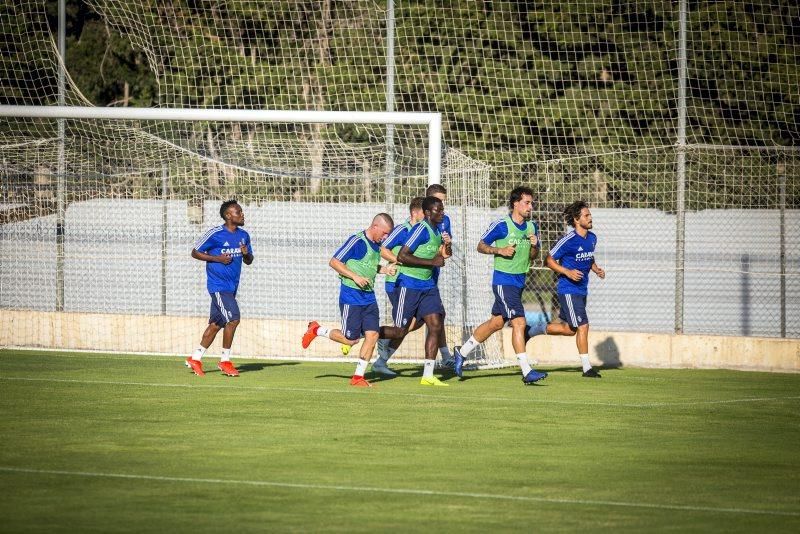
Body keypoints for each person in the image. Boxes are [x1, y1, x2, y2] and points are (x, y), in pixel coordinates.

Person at [453, 187, 548, 385]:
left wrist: (534, 246)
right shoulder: (501, 225)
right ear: (516, 203)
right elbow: (480, 246)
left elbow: (533, 256)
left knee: (496, 323)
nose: (531, 206)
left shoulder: (532, 227)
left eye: (532, 203)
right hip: (503, 281)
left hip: (519, 281)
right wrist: (499, 250)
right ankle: (526, 371)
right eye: (527, 202)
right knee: (519, 323)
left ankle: (461, 353)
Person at [301, 213, 396, 387]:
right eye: (384, 233)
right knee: (350, 340)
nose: (386, 237)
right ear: (375, 227)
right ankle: (316, 330)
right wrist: (355, 277)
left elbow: (368, 265)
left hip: (369, 297)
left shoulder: (376, 245)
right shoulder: (357, 241)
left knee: (372, 335)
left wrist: (384, 270)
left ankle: (358, 377)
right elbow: (334, 262)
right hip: (351, 296)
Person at [527, 200, 605, 378]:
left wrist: (596, 268)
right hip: (568, 289)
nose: (590, 218)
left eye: (590, 215)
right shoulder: (567, 240)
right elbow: (549, 260)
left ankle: (531, 330)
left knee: (570, 330)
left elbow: (588, 258)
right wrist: (567, 272)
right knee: (583, 325)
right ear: (577, 220)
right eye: (586, 215)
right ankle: (587, 368)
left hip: (582, 290)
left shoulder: (592, 238)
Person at [382, 196, 451, 386]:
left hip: (428, 286)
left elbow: (443, 256)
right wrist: (431, 262)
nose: (442, 213)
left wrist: (447, 245)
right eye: (439, 210)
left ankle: (428, 375)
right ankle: (366, 332)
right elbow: (403, 255)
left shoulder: (438, 230)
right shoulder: (420, 229)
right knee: (399, 331)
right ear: (428, 213)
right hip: (409, 285)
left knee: (435, 324)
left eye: (443, 209)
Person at [186, 199, 254, 377]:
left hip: (232, 287)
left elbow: (249, 260)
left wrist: (246, 254)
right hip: (218, 286)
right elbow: (195, 252)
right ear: (228, 215)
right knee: (234, 319)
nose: (242, 214)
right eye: (238, 212)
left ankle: (195, 358)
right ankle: (225, 361)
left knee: (216, 325)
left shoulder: (244, 235)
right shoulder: (215, 234)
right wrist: (217, 259)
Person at [369, 197, 425, 376]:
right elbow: (383, 248)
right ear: (415, 213)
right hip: (397, 283)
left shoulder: (425, 231)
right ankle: (376, 337)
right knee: (404, 325)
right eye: (425, 213)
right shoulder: (403, 230)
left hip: (415, 284)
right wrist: (400, 260)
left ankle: (384, 344)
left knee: (421, 320)